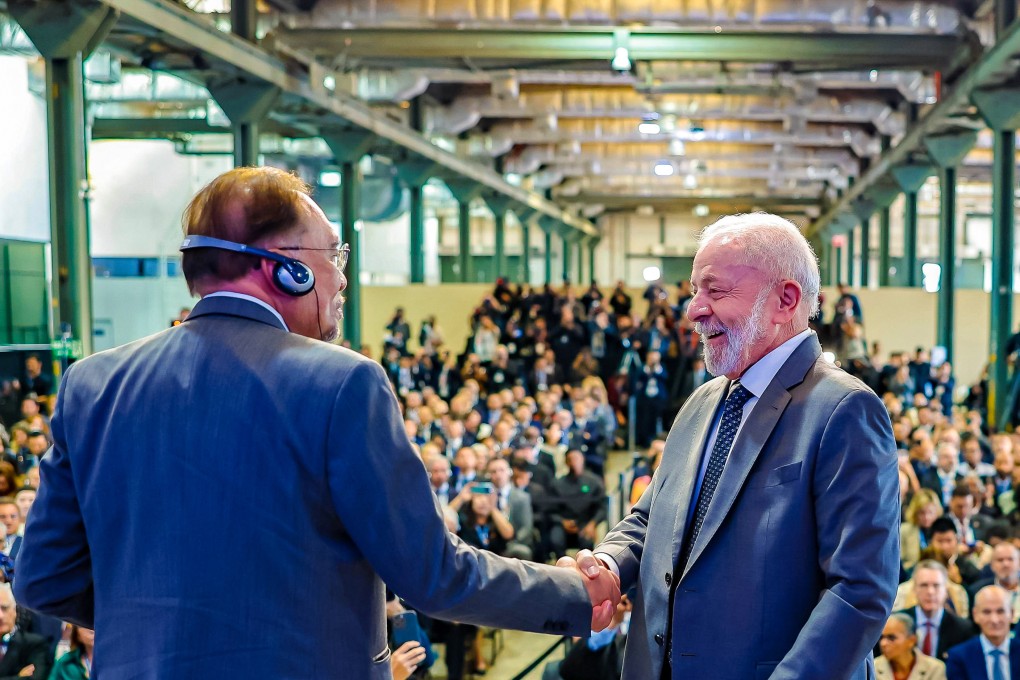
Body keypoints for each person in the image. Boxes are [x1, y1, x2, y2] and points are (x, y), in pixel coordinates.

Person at [15, 167, 620, 677]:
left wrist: (158, 624)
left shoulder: (92, 384)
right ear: (286, 268)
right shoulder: (341, 382)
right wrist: (573, 595)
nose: (343, 276)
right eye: (334, 254)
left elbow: (42, 580)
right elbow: (434, 574)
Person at [564, 212, 900, 679]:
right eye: (694, 291)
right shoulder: (703, 401)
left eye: (715, 291)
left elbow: (859, 591)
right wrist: (610, 563)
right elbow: (652, 517)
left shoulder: (844, 410)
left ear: (785, 299)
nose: (693, 309)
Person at [945, 586, 1020, 679]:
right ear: (975, 615)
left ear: (1012, 614)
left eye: (1001, 611)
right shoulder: (959, 657)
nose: (994, 620)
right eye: (987, 612)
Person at [875, 613, 945, 680]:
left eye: (891, 638)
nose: (883, 643)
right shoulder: (873, 667)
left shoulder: (934, 669)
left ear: (912, 640)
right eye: (881, 638)